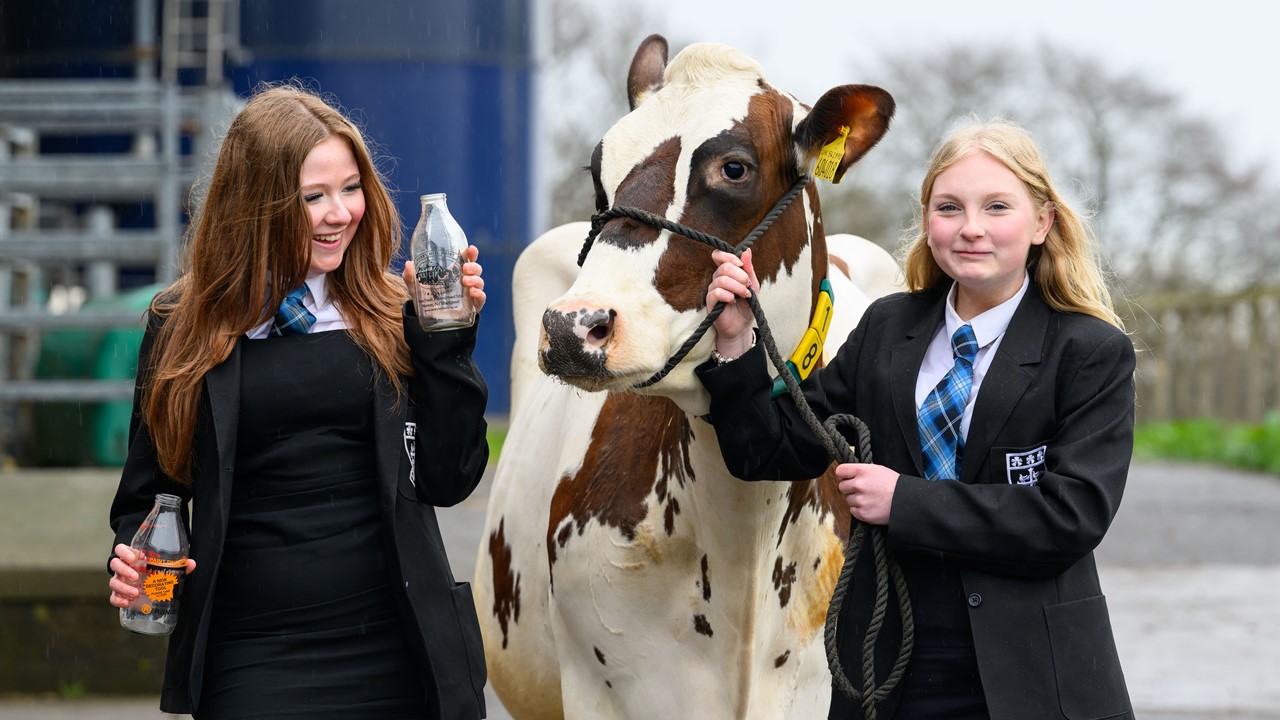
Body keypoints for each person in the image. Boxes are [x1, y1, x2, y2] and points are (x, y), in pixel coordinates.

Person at [698, 118, 1135, 719]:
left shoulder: (1089, 352)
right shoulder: (885, 330)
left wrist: (905, 501)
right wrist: (736, 343)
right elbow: (768, 452)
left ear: (1041, 223)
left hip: (1035, 676)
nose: (971, 229)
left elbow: (1072, 515)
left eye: (997, 207)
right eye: (949, 207)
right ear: (928, 220)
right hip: (887, 670)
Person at [106, 83, 490, 719]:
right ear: (256, 206)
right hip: (250, 657)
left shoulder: (395, 310)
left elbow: (450, 479)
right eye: (313, 197)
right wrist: (131, 560)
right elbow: (149, 495)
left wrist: (445, 341)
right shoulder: (181, 325)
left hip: (397, 651)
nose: (339, 213)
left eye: (350, 188)